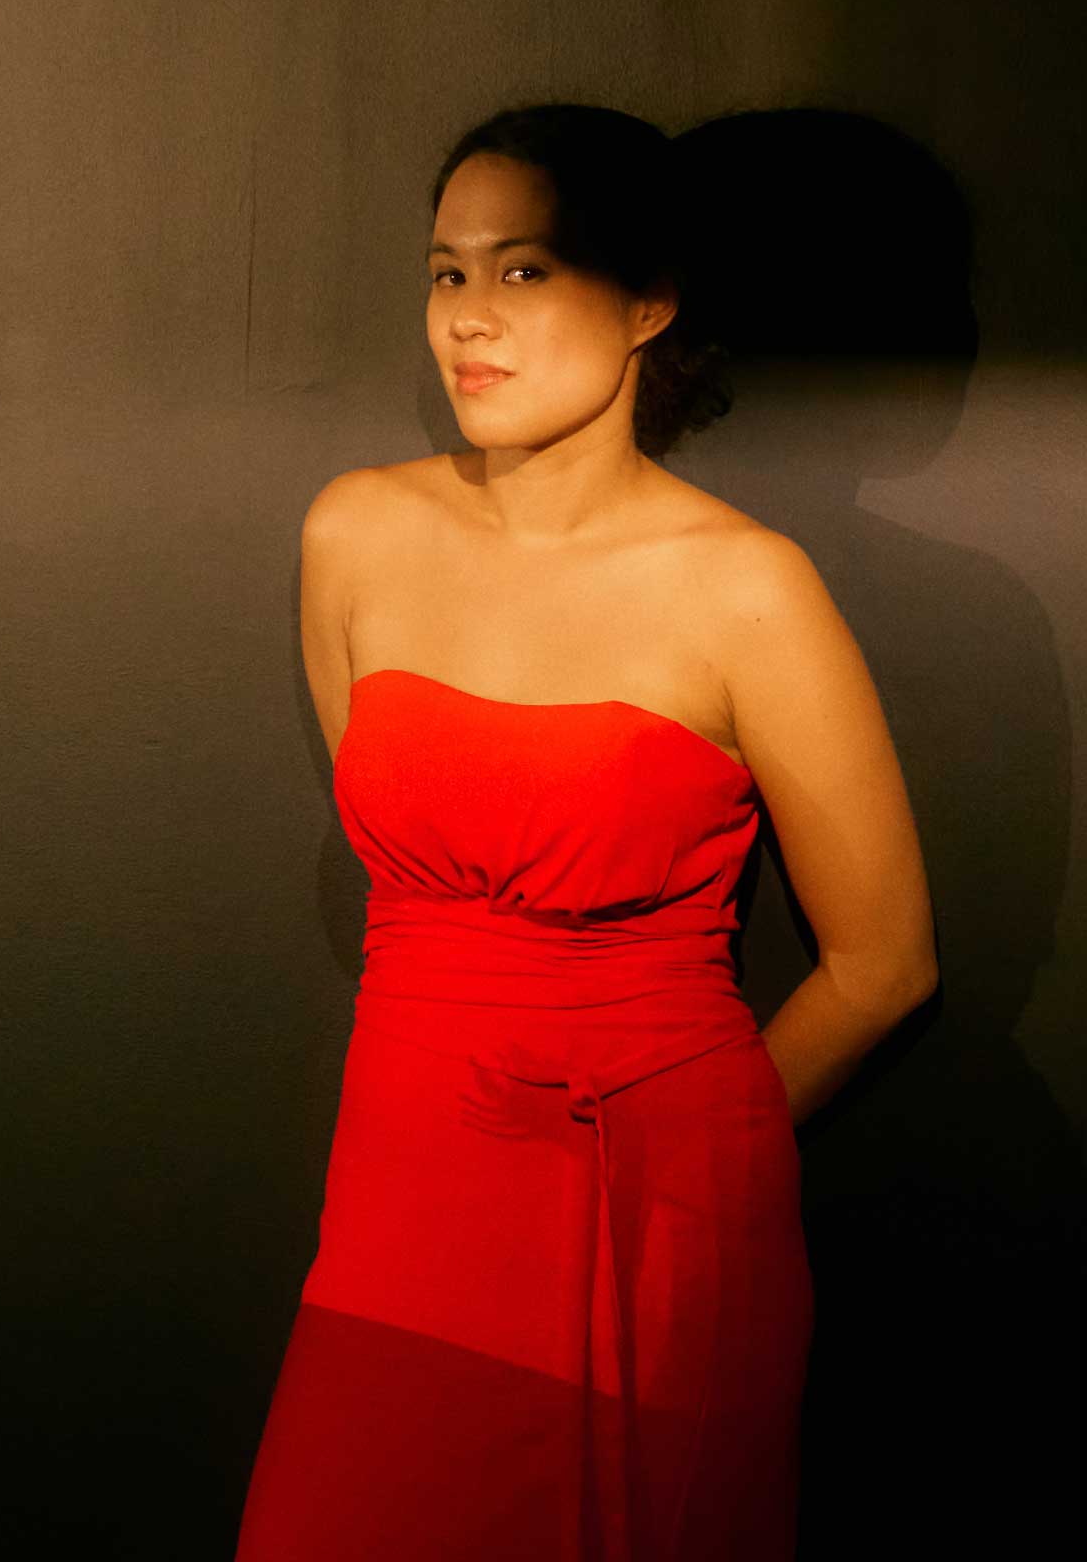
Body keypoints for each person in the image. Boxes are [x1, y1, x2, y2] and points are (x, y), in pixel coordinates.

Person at [233, 100, 939, 1561]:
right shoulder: (354, 531)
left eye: (525, 270)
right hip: (403, 1195)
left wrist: (692, 1142)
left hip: (651, 1217)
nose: (468, 319)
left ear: (649, 304)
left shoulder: (747, 587)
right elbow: (403, 852)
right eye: (447, 272)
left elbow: (885, 965)